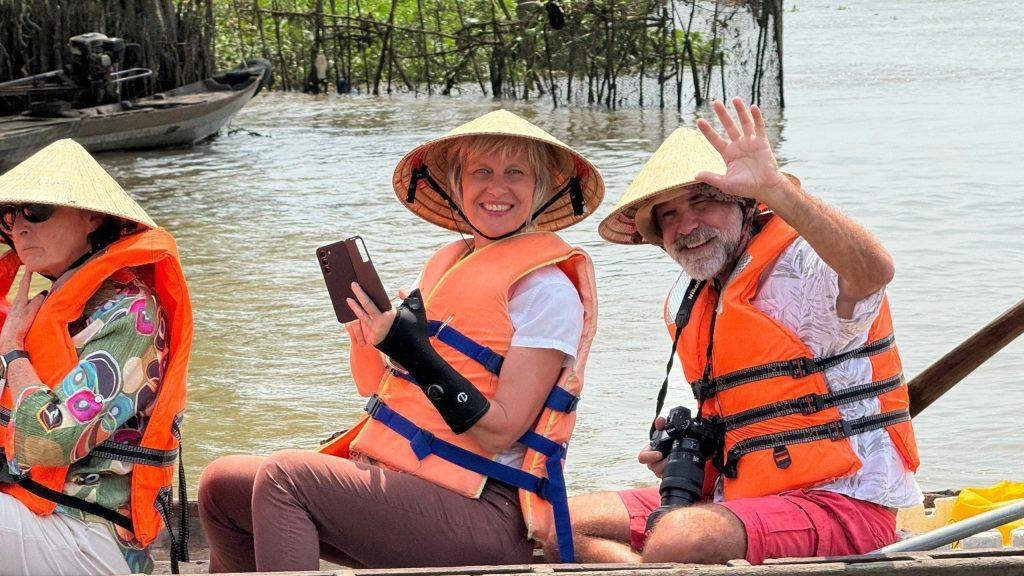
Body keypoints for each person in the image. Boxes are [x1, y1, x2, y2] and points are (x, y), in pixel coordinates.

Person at [199, 109, 604, 572]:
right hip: (411, 483)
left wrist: (410, 347)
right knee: (221, 485)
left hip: (485, 511)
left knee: (285, 477)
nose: (497, 188)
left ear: (541, 188)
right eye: (481, 172)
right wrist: (366, 337)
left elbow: (502, 430)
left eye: (516, 173)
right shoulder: (444, 268)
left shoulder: (548, 292)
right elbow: (374, 387)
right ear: (457, 186)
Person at [555, 98, 922, 565]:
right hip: (740, 500)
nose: (687, 226)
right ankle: (656, 571)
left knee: (679, 538)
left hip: (844, 501)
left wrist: (776, 187)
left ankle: (663, 564)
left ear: (746, 203)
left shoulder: (805, 263)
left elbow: (874, 271)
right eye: (668, 215)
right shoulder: (687, 300)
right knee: (557, 523)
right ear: (658, 236)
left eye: (703, 201)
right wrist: (683, 457)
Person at [0, 139, 193, 575]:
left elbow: (50, 441)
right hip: (32, 512)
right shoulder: (48, 309)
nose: (19, 227)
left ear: (92, 217)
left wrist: (13, 352)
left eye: (36, 210)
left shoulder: (130, 315)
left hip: (87, 536)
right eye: (10, 216)